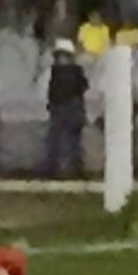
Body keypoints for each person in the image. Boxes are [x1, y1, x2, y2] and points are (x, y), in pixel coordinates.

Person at [44, 38, 88, 178]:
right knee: (69, 142)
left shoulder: (53, 72)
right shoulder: (77, 71)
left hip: (62, 109)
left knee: (61, 141)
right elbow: (84, 88)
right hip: (69, 109)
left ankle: (57, 169)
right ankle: (71, 169)